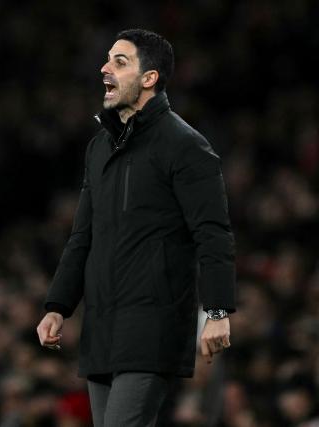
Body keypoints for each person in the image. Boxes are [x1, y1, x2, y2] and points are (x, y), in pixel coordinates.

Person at [36, 29, 236, 426]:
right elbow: (82, 235)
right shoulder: (99, 148)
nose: (104, 68)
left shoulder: (186, 146)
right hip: (102, 324)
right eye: (108, 59)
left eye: (119, 61)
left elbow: (212, 232)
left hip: (153, 324)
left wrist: (216, 309)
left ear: (150, 78)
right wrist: (58, 306)